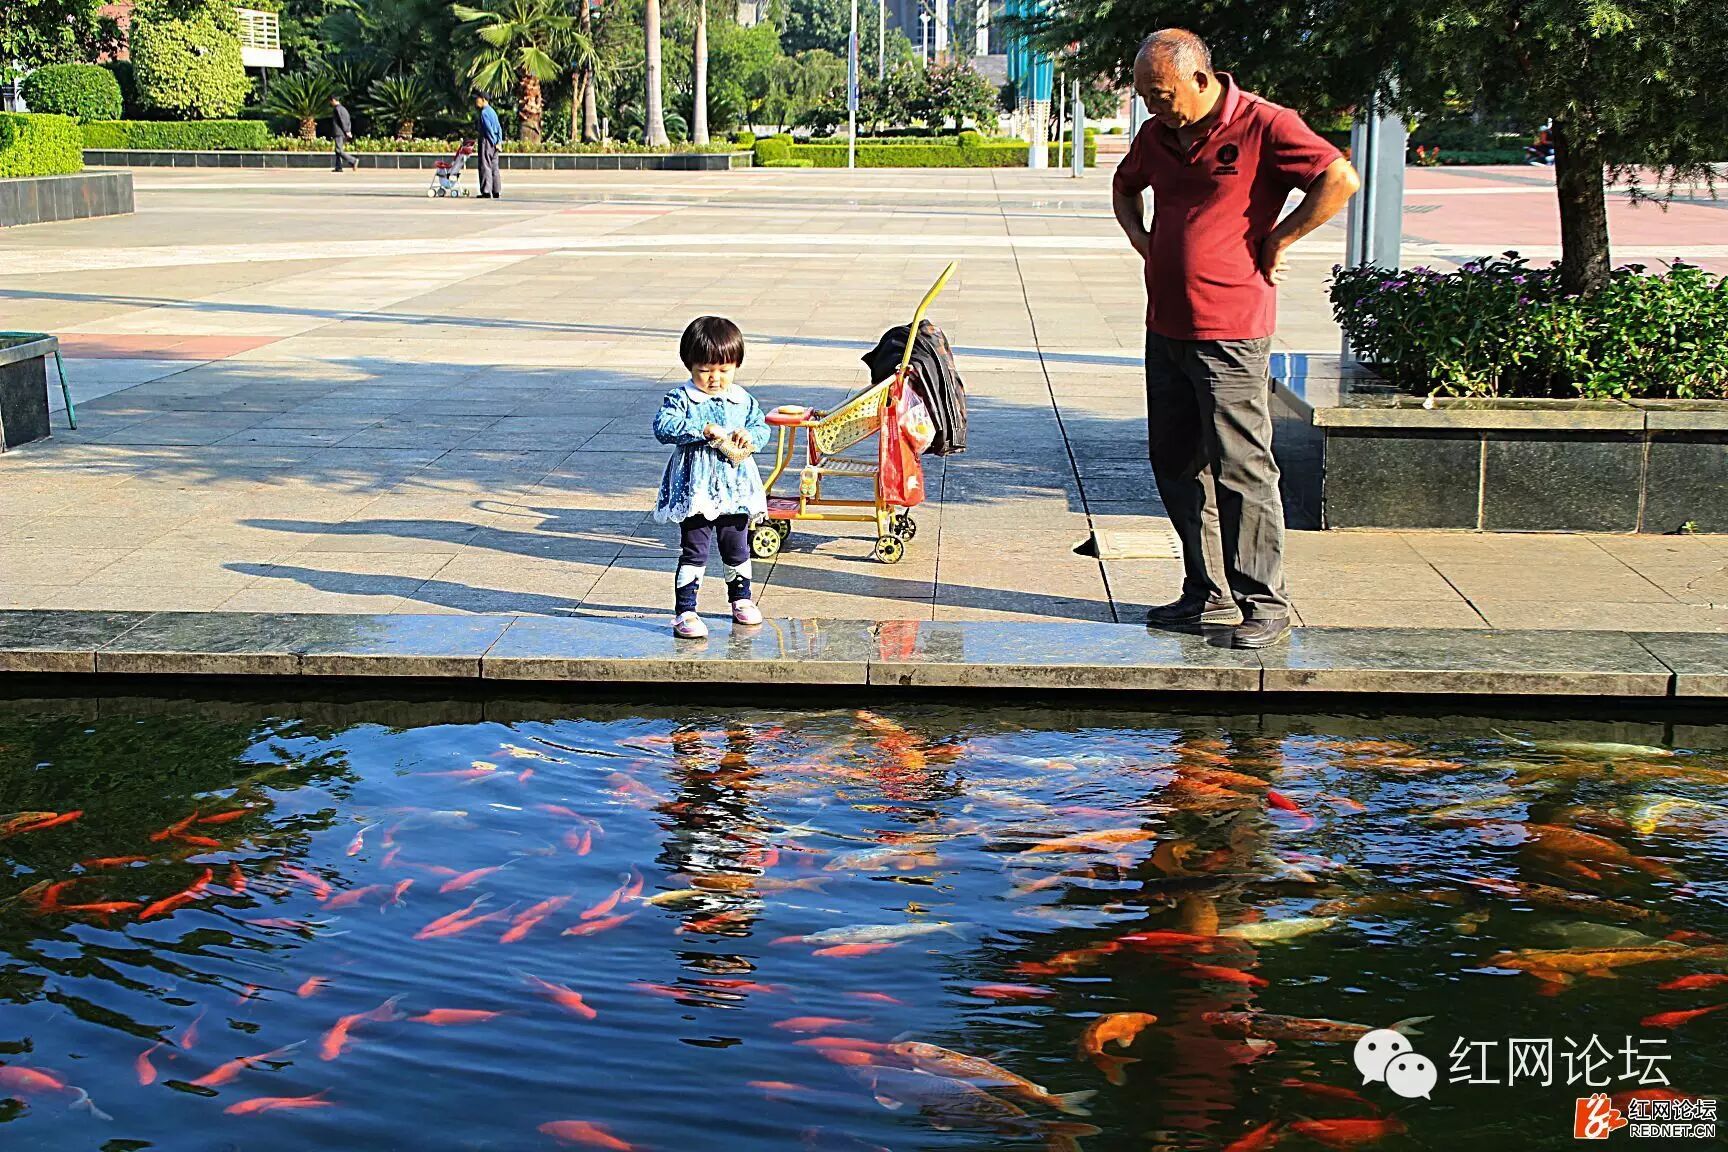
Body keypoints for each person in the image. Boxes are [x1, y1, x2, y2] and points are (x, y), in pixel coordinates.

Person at [1112, 28, 1360, 649]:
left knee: (1240, 465)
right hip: (1164, 324)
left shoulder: (1264, 124)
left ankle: (1264, 601)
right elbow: (1125, 185)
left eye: (1162, 94)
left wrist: (1279, 239)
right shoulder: (1157, 134)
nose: (1152, 106)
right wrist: (1144, 242)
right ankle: (1206, 592)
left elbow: (1339, 179)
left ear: (1202, 79)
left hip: (1230, 330)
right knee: (1174, 461)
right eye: (1144, 95)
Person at [653, 316, 770, 639]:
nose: (715, 378)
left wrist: (751, 436)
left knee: (737, 546)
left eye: (724, 370)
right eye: (706, 370)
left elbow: (761, 428)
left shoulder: (742, 399)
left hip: (736, 489)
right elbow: (663, 427)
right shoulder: (681, 398)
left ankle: (741, 599)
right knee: (695, 550)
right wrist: (700, 430)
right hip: (697, 491)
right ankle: (686, 610)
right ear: (690, 366)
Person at [475, 93, 503, 198]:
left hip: (487, 142)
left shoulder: (484, 113)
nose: (476, 101)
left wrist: (493, 141)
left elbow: (488, 129)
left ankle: (486, 191)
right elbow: (499, 128)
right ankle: (496, 190)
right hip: (495, 143)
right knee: (494, 167)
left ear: (483, 99)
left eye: (477, 99)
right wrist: (499, 142)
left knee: (485, 165)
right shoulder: (493, 111)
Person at [330, 96, 357, 173]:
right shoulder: (343, 109)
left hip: (339, 132)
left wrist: (347, 131)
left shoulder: (338, 109)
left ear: (333, 100)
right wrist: (348, 130)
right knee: (338, 150)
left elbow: (343, 121)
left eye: (331, 101)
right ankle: (338, 167)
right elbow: (348, 120)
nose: (330, 103)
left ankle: (353, 160)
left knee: (339, 150)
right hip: (342, 132)